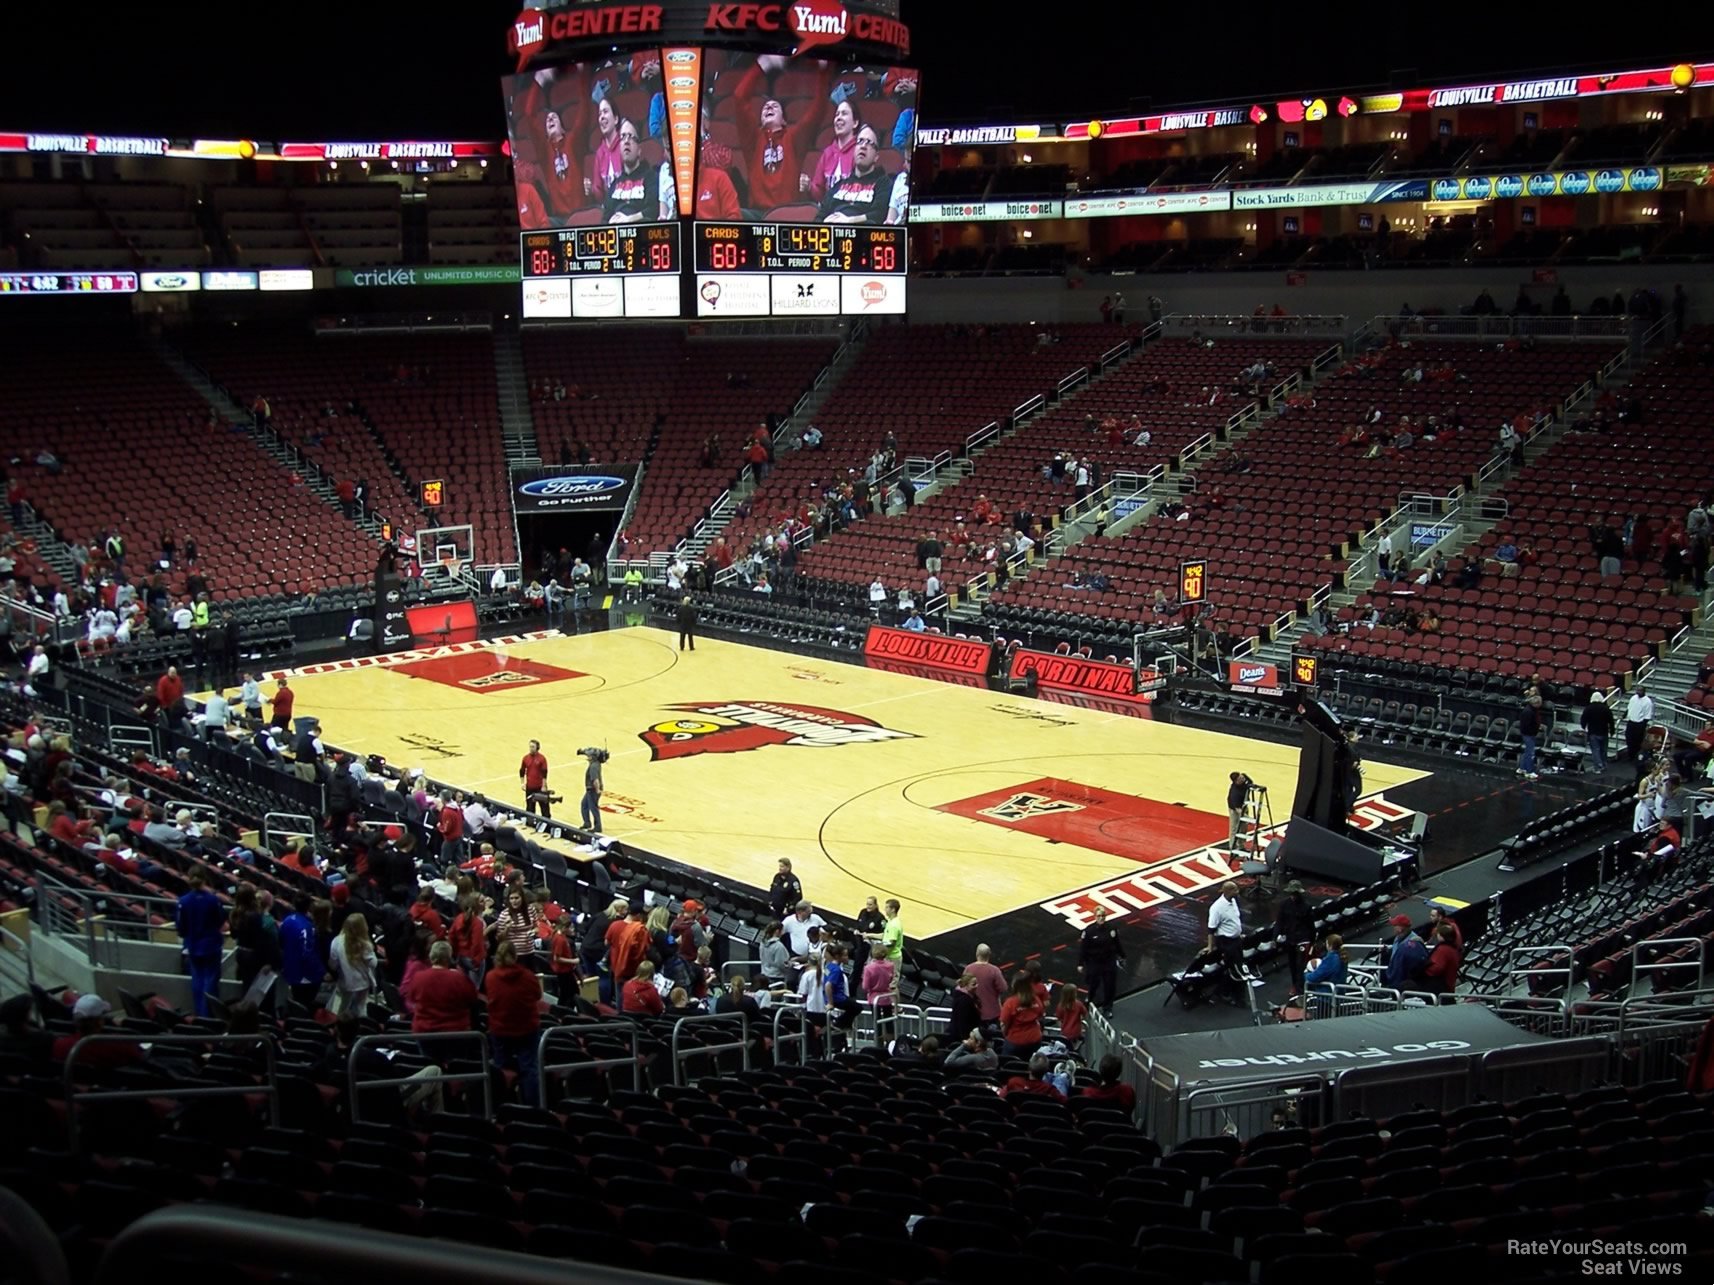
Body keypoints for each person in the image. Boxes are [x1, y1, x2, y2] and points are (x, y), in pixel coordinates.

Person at [484, 940, 543, 1106]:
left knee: (502, 1068)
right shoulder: (528, 976)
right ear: (516, 956)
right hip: (526, 1029)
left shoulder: (490, 977)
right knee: (529, 1068)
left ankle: (504, 1105)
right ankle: (533, 1108)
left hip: (500, 1029)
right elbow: (537, 996)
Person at [175, 870, 227, 1018]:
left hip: (193, 945)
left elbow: (180, 928)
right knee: (210, 980)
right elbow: (220, 921)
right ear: (205, 880)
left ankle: (200, 1012)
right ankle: (208, 1015)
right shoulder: (212, 900)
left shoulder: (183, 901)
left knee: (197, 980)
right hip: (211, 945)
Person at [819, 125, 890, 225]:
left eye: (869, 143)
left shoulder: (883, 183)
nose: (863, 146)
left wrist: (849, 221)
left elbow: (878, 214)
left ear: (876, 156)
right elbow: (820, 215)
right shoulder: (840, 184)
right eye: (860, 141)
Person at [407, 940, 477, 1033]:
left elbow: (411, 999)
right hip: (455, 1032)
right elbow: (472, 998)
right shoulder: (459, 978)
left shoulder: (418, 977)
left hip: (424, 1033)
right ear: (449, 957)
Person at [278, 895, 324, 1011]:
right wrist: (321, 971)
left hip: (291, 970)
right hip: (305, 975)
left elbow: (281, 943)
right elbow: (307, 954)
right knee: (305, 1004)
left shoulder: (287, 920)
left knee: (297, 1000)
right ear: (308, 907)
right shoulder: (307, 927)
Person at [330, 913, 378, 1020]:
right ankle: (359, 1029)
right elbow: (373, 964)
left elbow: (333, 964)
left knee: (344, 1006)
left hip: (344, 981)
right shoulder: (365, 945)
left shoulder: (336, 941)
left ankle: (341, 1026)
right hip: (361, 983)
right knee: (360, 1008)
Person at [1273, 880, 1317, 995]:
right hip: (1290, 938)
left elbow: (1310, 924)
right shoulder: (1284, 904)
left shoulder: (1306, 907)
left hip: (1303, 939)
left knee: (1301, 964)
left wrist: (1312, 940)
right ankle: (1295, 984)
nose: (1294, 896)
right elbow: (1279, 921)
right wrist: (1275, 936)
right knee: (1292, 964)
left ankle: (1300, 987)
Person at [1079, 907, 1125, 1011]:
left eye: (1103, 916)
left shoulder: (1111, 928)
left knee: (1109, 985)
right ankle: (1089, 999)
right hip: (1094, 962)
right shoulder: (1089, 930)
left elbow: (1117, 943)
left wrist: (1122, 956)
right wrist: (1080, 963)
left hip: (1108, 961)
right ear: (1095, 917)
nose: (1101, 918)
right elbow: (1083, 948)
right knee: (1093, 983)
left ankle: (1108, 1006)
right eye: (1099, 916)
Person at [1206, 882, 1245, 1004]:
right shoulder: (1217, 908)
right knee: (1235, 969)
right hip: (1226, 943)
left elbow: (1234, 919)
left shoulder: (1233, 901)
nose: (1237, 892)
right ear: (1227, 891)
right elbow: (1211, 929)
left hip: (1236, 940)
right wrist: (1210, 946)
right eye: (1235, 890)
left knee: (1235, 967)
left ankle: (1221, 993)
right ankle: (1236, 997)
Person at [999, 972, 1045, 1060]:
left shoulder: (1010, 1003)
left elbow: (1003, 1024)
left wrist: (1006, 1035)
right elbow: (1040, 1015)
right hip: (1034, 1039)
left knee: (1007, 1063)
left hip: (1015, 1041)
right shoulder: (1035, 999)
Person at [1382, 914, 1430, 992]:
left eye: (1395, 926)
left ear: (1400, 928)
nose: (1393, 928)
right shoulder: (1398, 938)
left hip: (1405, 984)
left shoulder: (1413, 944)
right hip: (1396, 980)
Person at [1002, 1053, 1066, 1101]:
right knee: (1062, 1079)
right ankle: (1063, 1075)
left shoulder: (1013, 1082)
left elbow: (1002, 1096)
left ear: (1028, 1068)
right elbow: (1064, 1101)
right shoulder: (1050, 1089)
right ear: (1046, 1071)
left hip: (1019, 1117)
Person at [1422, 924, 1460, 996]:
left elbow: (1437, 968)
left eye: (1439, 934)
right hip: (1450, 982)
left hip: (1442, 986)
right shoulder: (1453, 948)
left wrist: (1425, 970)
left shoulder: (1443, 950)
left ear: (1442, 936)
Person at [1582, 693, 1614, 774]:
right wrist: (1612, 731)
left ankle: (1598, 767)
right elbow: (1611, 721)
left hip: (1593, 732)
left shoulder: (1589, 708)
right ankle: (1604, 764)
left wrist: (1584, 726)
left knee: (1596, 750)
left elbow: (1583, 719)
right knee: (1603, 750)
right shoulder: (1606, 708)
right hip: (1604, 732)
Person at [520, 740, 551, 818]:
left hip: (540, 788)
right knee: (530, 808)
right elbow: (522, 771)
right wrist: (522, 783)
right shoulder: (525, 758)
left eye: (533, 747)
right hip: (529, 787)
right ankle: (530, 823)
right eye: (530, 746)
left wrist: (544, 786)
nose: (531, 748)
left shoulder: (542, 759)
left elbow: (544, 773)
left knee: (545, 809)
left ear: (537, 748)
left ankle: (547, 825)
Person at [1052, 982, 1087, 1049]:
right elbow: (1085, 1013)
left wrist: (1062, 1027)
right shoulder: (1078, 1004)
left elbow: (1058, 1019)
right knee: (1077, 1047)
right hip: (1076, 1032)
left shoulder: (1060, 1006)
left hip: (1065, 1032)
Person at [1625, 685, 1654, 764]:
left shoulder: (1647, 701)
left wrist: (1643, 725)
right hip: (1631, 721)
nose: (1638, 692)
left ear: (1644, 691)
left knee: (1637, 741)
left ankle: (1635, 756)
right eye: (1637, 690)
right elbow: (1629, 708)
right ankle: (1630, 754)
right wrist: (1625, 715)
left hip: (1640, 723)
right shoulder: (1633, 698)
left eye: (1640, 691)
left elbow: (1647, 715)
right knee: (1629, 739)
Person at [1226, 770, 1253, 853]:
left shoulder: (1244, 779)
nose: (1242, 779)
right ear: (1236, 781)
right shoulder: (1235, 793)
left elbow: (1251, 782)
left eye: (1242, 777)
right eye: (1240, 778)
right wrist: (1247, 818)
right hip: (1235, 809)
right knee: (1235, 828)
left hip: (1244, 805)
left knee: (1243, 828)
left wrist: (1245, 775)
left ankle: (1241, 846)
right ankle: (1232, 848)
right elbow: (1237, 810)